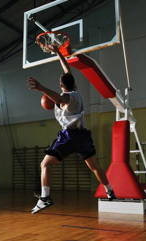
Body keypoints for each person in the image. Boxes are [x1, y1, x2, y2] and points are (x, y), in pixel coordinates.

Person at [28, 45, 115, 214]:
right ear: (73, 82)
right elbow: (66, 69)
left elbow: (60, 98)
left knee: (44, 164)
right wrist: (58, 52)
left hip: (70, 136)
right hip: (83, 136)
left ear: (61, 85)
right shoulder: (76, 91)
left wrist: (41, 88)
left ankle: (45, 198)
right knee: (94, 166)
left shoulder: (67, 97)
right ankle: (110, 191)